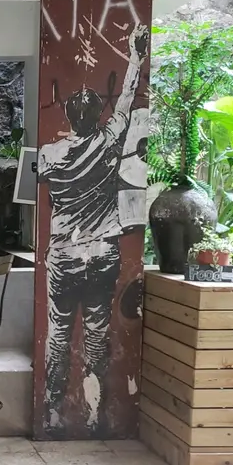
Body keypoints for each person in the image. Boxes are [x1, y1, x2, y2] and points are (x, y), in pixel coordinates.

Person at [38, 25, 149, 435]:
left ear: (69, 117)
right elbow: (126, 100)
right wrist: (136, 55)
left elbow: (35, 176)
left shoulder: (49, 154)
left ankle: (52, 412)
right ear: (99, 115)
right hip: (102, 252)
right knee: (97, 333)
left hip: (64, 257)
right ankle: (93, 412)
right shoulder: (110, 139)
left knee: (58, 334)